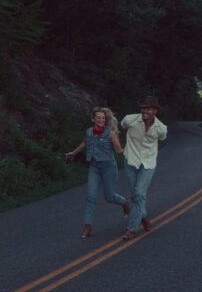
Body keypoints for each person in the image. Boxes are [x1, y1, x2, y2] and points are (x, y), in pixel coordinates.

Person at [64, 107, 131, 238]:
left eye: (103, 118)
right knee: (90, 196)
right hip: (94, 167)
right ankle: (88, 226)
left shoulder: (110, 132)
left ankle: (124, 203)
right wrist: (73, 153)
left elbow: (118, 150)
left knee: (109, 196)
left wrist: (131, 149)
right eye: (98, 117)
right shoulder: (89, 132)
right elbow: (84, 144)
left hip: (108, 168)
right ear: (93, 119)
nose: (101, 120)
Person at [120, 95, 167, 240]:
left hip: (148, 164)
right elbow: (122, 128)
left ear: (155, 111)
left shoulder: (161, 128)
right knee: (135, 196)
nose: (145, 111)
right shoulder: (130, 119)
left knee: (139, 193)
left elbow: (161, 139)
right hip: (131, 162)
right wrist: (126, 147)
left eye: (149, 109)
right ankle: (144, 218)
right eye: (143, 108)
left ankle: (131, 229)